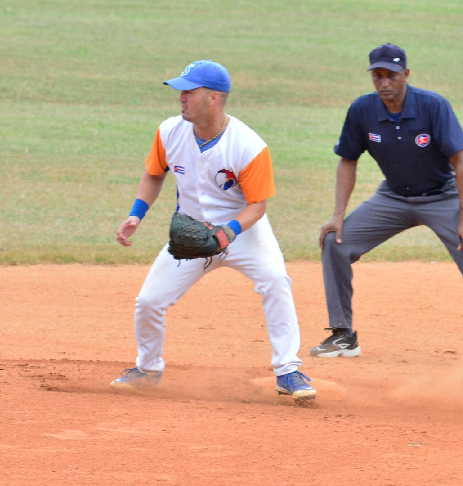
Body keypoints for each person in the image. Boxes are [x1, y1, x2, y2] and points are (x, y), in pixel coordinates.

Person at [111, 60, 316, 403]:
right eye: (181, 91)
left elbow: (257, 206)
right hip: (191, 235)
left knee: (276, 282)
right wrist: (136, 215)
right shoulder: (169, 132)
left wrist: (228, 233)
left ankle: (288, 371)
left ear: (214, 98)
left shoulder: (248, 146)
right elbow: (154, 173)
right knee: (149, 301)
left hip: (244, 232)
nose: (181, 97)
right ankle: (147, 369)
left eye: (189, 91)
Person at [310, 43, 463, 369]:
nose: (384, 83)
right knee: (334, 242)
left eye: (391, 75)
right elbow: (347, 160)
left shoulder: (432, 106)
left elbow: (461, 161)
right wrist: (337, 215)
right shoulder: (363, 110)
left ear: (406, 75)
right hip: (393, 197)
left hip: (441, 196)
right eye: (377, 76)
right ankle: (343, 335)